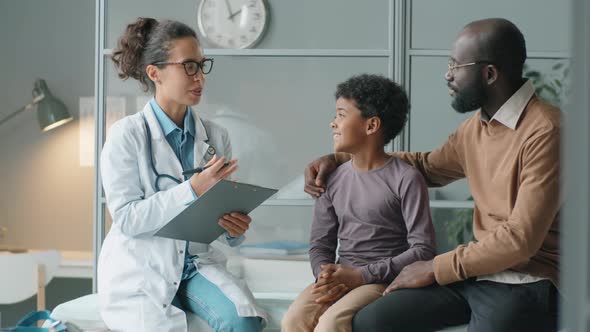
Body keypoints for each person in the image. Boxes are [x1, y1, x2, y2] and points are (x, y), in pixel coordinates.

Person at [304, 18, 560, 332]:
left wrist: (434, 267)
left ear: (489, 74)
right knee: (373, 320)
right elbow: (425, 166)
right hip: (477, 274)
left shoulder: (547, 131)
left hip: (530, 281)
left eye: (455, 65)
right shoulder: (474, 130)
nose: (447, 75)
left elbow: (520, 241)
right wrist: (343, 157)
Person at [98, 17, 266, 332]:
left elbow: (217, 215)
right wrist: (192, 189)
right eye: (188, 66)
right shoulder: (126, 135)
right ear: (155, 72)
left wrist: (234, 229)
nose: (199, 77)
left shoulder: (215, 136)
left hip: (194, 266)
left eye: (202, 66)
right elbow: (128, 219)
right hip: (143, 268)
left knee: (245, 322)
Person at [282, 74, 436, 332]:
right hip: (340, 276)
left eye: (341, 115)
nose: (333, 123)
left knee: (330, 325)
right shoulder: (331, 178)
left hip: (382, 280)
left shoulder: (407, 178)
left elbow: (423, 250)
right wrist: (324, 274)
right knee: (292, 321)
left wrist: (362, 275)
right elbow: (321, 243)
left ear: (371, 125)